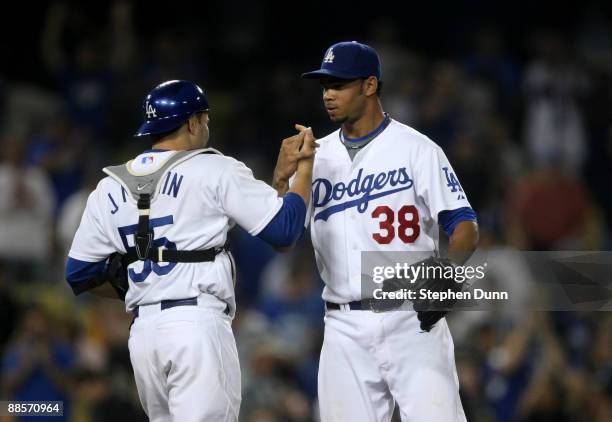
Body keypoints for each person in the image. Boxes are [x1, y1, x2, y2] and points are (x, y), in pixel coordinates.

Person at [64, 79, 316, 422]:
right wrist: (304, 170)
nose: (207, 124)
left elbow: (79, 273)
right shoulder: (215, 168)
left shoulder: (109, 186)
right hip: (196, 327)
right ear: (192, 122)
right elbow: (284, 232)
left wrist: (140, 286)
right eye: (205, 118)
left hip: (144, 336)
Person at [290, 41, 479, 421]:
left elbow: (465, 227)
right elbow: (282, 234)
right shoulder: (314, 158)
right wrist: (283, 180)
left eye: (339, 84)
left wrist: (447, 273)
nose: (328, 94)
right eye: (325, 85)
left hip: (410, 317)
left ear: (370, 85)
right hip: (342, 323)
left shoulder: (416, 149)